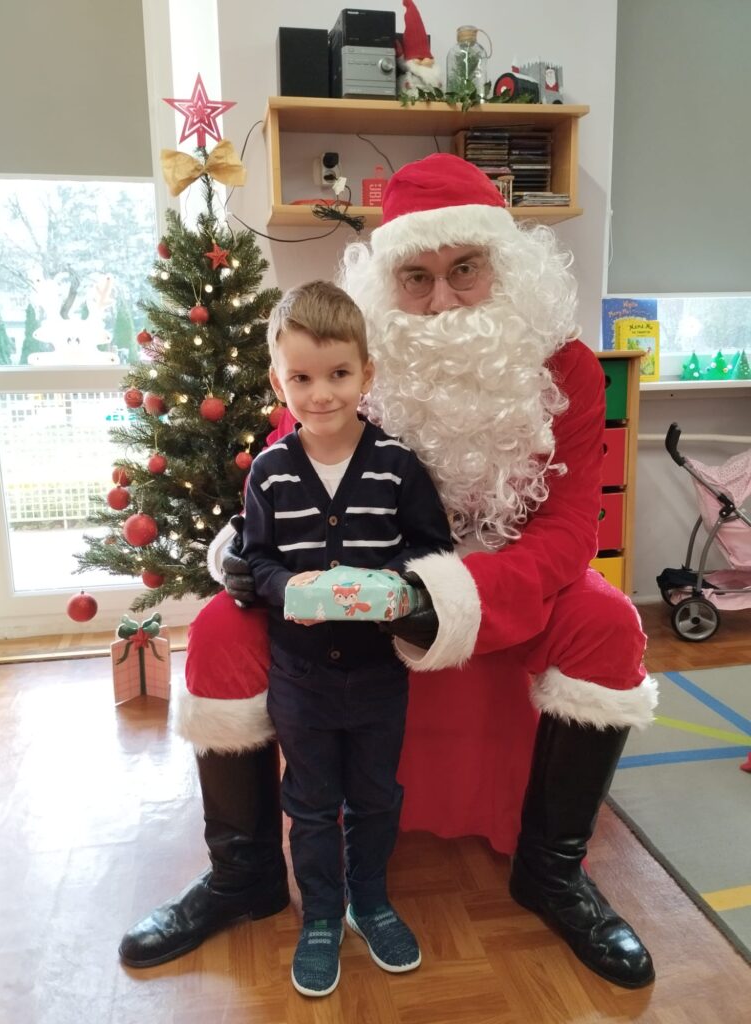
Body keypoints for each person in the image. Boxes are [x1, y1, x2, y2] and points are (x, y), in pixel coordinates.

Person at [120, 153, 659, 990]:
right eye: (415, 277)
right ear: (386, 286)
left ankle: (551, 873)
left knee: (609, 623)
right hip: (356, 580)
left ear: (505, 268)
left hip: (508, 575)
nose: (441, 301)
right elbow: (288, 460)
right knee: (224, 625)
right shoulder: (359, 364)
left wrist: (452, 596)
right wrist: (247, 555)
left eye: (465, 270)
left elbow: (566, 534)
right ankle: (245, 873)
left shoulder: (570, 370)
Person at [241, 280, 452, 995]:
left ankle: (370, 899)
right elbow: (256, 560)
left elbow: (433, 548)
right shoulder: (270, 473)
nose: (321, 393)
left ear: (367, 373)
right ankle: (323, 913)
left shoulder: (396, 464)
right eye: (301, 378)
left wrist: (396, 584)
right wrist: (286, 588)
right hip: (300, 677)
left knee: (375, 796)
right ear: (279, 382)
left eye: (338, 374)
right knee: (308, 802)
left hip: (378, 674)